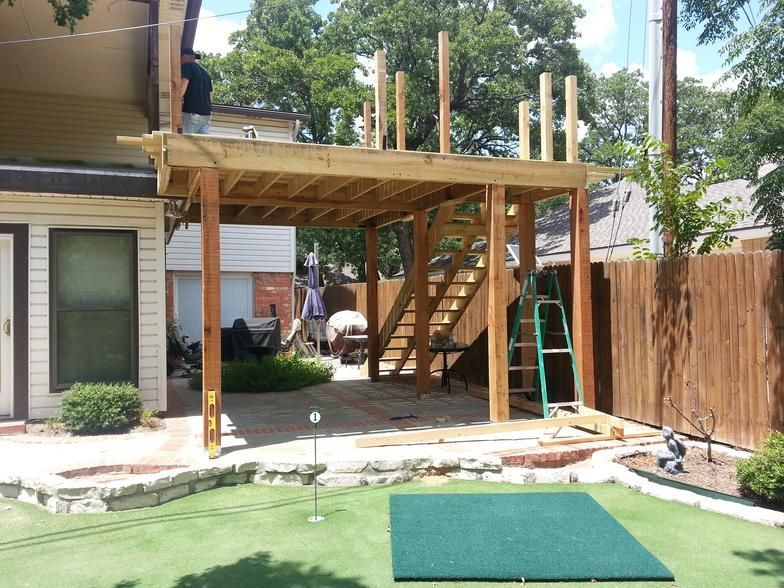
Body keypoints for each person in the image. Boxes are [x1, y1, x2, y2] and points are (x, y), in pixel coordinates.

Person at [180, 48, 212, 134]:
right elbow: (210, 96)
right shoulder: (206, 74)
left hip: (192, 113)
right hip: (206, 115)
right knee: (203, 144)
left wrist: (176, 99)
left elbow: (184, 83)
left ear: (183, 57)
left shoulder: (187, 66)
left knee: (188, 144)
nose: (193, 60)